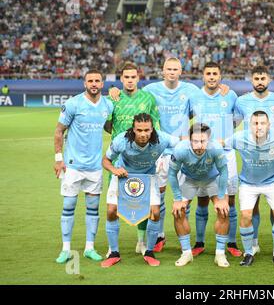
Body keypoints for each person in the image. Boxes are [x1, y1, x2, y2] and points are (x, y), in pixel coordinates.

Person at [109, 57, 229, 253]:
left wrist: (223, 88)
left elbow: (208, 95)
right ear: (162, 71)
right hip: (159, 150)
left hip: (184, 150)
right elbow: (132, 93)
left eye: (175, 69)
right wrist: (114, 91)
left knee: (184, 196)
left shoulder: (191, 90)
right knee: (160, 194)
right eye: (168, 69)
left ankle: (188, 242)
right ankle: (159, 236)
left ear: (181, 71)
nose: (172, 72)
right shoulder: (151, 90)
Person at [101, 113, 179, 268]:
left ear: (152, 129)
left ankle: (149, 252)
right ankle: (114, 253)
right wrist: (114, 169)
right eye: (139, 130)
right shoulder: (122, 140)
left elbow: (182, 145)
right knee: (111, 211)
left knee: (155, 213)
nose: (143, 134)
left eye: (146, 130)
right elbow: (105, 160)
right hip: (123, 177)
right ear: (133, 129)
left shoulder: (162, 139)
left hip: (148, 177)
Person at [53, 69, 113, 264]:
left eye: (97, 80)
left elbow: (110, 127)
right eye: (90, 81)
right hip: (72, 165)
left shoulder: (108, 105)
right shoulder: (73, 104)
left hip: (95, 166)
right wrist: (58, 158)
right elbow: (59, 131)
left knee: (93, 208)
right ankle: (66, 249)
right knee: (69, 206)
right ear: (84, 83)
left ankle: (89, 247)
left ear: (102, 84)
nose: (94, 84)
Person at [104, 61, 160, 256]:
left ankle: (141, 241)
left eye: (133, 77)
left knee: (143, 199)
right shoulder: (113, 99)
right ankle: (113, 248)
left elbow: (156, 127)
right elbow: (107, 125)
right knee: (114, 203)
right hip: (118, 157)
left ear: (138, 77)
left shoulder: (148, 98)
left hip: (143, 157)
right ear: (121, 79)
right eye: (126, 77)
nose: (129, 80)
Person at [234, 65, 274, 258]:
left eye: (263, 78)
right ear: (251, 80)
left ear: (269, 80)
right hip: (251, 160)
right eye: (256, 78)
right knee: (253, 204)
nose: (260, 82)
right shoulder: (241, 101)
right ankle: (254, 242)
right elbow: (233, 123)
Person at [190, 62, 242, 258]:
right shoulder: (194, 96)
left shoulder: (230, 95)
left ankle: (232, 242)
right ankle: (199, 242)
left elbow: (237, 119)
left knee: (230, 200)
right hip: (201, 155)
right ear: (203, 76)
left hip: (226, 154)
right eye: (208, 73)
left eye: (215, 74)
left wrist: (224, 136)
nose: (211, 77)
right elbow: (187, 116)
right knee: (202, 199)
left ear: (220, 76)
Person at [231, 111, 274, 267]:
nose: (259, 126)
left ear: (269, 125)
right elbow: (220, 144)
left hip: (273, 181)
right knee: (246, 216)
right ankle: (249, 253)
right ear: (250, 125)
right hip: (248, 183)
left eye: (263, 123)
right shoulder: (239, 138)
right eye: (255, 123)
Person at [169, 123, 230, 268]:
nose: (199, 145)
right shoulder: (180, 150)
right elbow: (172, 174)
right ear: (189, 140)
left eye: (203, 141)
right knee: (178, 211)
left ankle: (220, 254)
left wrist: (221, 198)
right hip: (190, 180)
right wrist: (178, 199)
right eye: (195, 141)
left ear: (209, 140)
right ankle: (186, 253)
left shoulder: (215, 148)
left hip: (211, 179)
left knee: (224, 210)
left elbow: (224, 172)